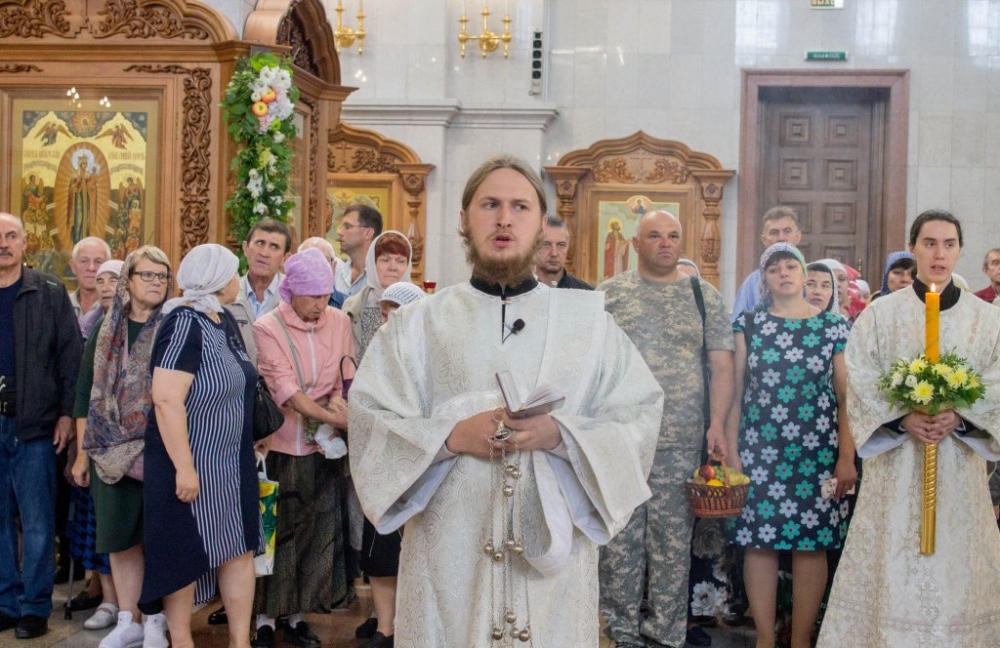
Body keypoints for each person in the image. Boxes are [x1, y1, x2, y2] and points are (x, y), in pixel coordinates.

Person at [348, 155, 663, 647]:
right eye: (489, 204)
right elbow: (370, 417)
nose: (504, 219)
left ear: (541, 223)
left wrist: (561, 433)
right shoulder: (417, 326)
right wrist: (452, 436)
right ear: (463, 219)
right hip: (448, 558)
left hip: (551, 562)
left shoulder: (589, 325)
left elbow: (639, 413)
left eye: (520, 207)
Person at [818, 209, 1000, 648]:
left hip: (958, 464)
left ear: (960, 250)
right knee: (894, 557)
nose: (939, 254)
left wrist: (960, 416)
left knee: (958, 564)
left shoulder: (986, 319)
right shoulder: (881, 315)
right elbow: (859, 378)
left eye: (949, 244)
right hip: (897, 464)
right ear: (913, 247)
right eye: (929, 243)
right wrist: (902, 417)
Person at [599, 210, 735, 648]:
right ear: (635, 244)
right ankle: (621, 632)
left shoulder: (703, 295)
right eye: (655, 236)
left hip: (679, 438)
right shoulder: (608, 295)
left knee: (671, 544)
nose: (665, 243)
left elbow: (722, 365)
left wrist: (717, 424)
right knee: (620, 543)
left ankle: (666, 634)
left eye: (673, 236)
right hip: (620, 437)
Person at [728, 243, 855, 648]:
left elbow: (846, 399)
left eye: (790, 266)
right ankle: (765, 639)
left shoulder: (833, 327)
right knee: (759, 543)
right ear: (764, 280)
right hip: (759, 450)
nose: (783, 273)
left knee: (812, 545)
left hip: (818, 453)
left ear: (803, 274)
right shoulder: (749, 324)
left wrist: (846, 457)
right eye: (774, 268)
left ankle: (800, 640)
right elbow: (736, 392)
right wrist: (731, 450)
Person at [138, 244, 261, 648]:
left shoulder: (223, 319)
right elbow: (165, 399)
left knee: (238, 547)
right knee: (183, 555)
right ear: (216, 279)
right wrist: (185, 467)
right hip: (189, 461)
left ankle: (240, 642)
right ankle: (181, 640)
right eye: (232, 272)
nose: (237, 279)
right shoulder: (183, 323)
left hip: (230, 461)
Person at [250, 248, 355, 648]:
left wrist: (339, 407)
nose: (321, 305)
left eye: (326, 296)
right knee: (275, 535)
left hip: (323, 449)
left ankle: (297, 616)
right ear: (292, 291)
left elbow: (345, 373)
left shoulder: (339, 320)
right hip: (280, 444)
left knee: (315, 534)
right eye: (313, 297)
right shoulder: (268, 326)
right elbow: (287, 392)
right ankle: (263, 618)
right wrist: (334, 419)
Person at [71, 247, 173, 648]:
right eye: (147, 275)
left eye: (162, 276)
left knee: (157, 538)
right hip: (109, 450)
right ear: (128, 280)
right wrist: (82, 456)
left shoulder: (173, 325)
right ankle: (129, 618)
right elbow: (85, 394)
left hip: (161, 448)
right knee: (119, 538)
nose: (156, 282)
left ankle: (156, 619)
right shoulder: (105, 327)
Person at [0, 213, 82, 639]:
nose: (3, 244)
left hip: (34, 422)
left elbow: (70, 358)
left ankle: (34, 606)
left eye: (11, 236)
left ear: (25, 242)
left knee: (36, 520)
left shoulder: (49, 291)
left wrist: (67, 414)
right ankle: (5, 602)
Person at [343, 230, 413, 648]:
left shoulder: (420, 311)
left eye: (399, 260)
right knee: (372, 528)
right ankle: (380, 614)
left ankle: (397, 618)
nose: (392, 266)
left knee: (401, 535)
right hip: (367, 432)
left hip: (408, 444)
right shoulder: (355, 309)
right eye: (385, 259)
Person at [226, 218, 292, 366]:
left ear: (285, 258)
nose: (264, 253)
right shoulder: (226, 294)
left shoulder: (293, 297)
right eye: (260, 243)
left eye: (274, 247)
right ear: (246, 248)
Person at [732, 207, 802, 321]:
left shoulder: (810, 278)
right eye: (774, 232)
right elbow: (738, 323)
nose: (781, 238)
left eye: (787, 231)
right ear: (764, 240)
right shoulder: (751, 283)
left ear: (798, 236)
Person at [333, 205, 383, 309]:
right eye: (341, 227)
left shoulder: (382, 276)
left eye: (347, 227)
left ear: (368, 233)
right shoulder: (336, 270)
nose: (340, 232)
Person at [534, 215, 593, 289]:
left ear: (568, 247)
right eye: (546, 245)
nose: (554, 253)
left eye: (561, 245)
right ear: (533, 247)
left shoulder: (586, 292)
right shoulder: (520, 291)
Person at [68, 236, 111, 323]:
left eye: (98, 262)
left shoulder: (116, 308)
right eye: (84, 261)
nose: (91, 268)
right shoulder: (62, 304)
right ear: (73, 267)